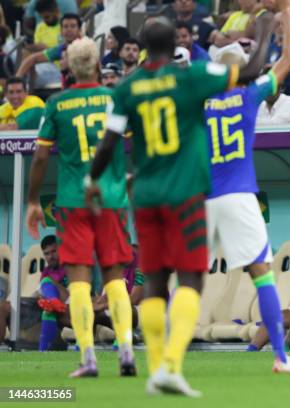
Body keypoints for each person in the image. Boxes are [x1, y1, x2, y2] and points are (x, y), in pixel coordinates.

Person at [85, 15, 271, 396]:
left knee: (154, 280)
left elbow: (108, 142)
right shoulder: (191, 78)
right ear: (175, 46)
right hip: (185, 196)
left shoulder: (127, 87)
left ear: (140, 45)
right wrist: (265, 31)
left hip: (147, 196)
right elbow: (251, 72)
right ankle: (170, 365)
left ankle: (155, 366)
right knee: (190, 279)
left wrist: (93, 180)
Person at [26, 37, 135, 377]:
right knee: (116, 278)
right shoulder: (114, 99)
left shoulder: (57, 104)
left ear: (70, 68)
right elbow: (136, 145)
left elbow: (42, 155)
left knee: (79, 281)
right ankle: (127, 351)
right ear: (98, 66)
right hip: (111, 199)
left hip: (73, 202)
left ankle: (88, 357)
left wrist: (32, 201)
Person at [204, 0, 290, 372]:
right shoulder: (248, 96)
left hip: (202, 197)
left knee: (183, 278)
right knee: (262, 273)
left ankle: (166, 358)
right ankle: (279, 357)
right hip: (239, 195)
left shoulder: (196, 104)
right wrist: (287, 14)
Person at [16, 13, 82, 87]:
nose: (69, 30)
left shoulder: (87, 47)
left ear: (79, 30)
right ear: (61, 31)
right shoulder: (61, 49)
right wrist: (17, 79)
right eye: (65, 27)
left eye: (73, 26)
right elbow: (33, 58)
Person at [37, 235, 69, 351]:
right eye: (46, 254)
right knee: (47, 311)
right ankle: (43, 352)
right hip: (58, 309)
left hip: (73, 303)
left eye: (54, 252)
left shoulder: (70, 265)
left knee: (47, 281)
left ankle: (53, 301)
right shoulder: (46, 271)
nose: (50, 256)